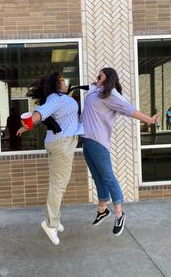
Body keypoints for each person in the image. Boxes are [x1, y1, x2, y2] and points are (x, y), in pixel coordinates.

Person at [81, 67, 158, 236]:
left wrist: (150, 120)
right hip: (86, 140)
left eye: (100, 74)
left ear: (108, 77)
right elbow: (88, 93)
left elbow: (130, 110)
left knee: (107, 176)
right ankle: (102, 210)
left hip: (98, 142)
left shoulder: (111, 95)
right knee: (97, 176)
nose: (97, 76)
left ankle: (119, 212)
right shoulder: (96, 90)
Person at [16, 72, 84, 245]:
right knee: (58, 184)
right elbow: (40, 114)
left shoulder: (60, 97)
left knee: (59, 183)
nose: (66, 81)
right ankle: (50, 224)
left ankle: (55, 219)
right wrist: (29, 123)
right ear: (56, 84)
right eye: (62, 80)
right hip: (62, 144)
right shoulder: (56, 98)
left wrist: (27, 126)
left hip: (62, 142)